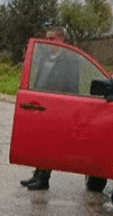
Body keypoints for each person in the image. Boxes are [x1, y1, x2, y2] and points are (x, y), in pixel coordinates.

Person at [20, 28, 79, 191]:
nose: (48, 42)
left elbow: (73, 86)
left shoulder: (70, 60)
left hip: (56, 107)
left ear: (61, 39)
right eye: (46, 39)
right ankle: (37, 174)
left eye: (52, 39)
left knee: (49, 144)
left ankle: (44, 178)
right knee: (39, 142)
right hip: (40, 105)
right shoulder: (45, 57)